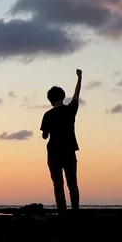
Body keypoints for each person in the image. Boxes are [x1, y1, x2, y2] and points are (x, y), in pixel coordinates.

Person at [40, 69, 81, 212]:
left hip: (53, 153)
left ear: (50, 100)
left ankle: (62, 212)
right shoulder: (70, 111)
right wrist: (79, 78)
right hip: (68, 152)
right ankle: (75, 211)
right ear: (63, 97)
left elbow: (45, 136)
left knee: (58, 185)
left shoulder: (47, 115)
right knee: (72, 184)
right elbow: (76, 96)